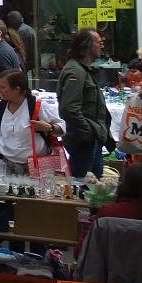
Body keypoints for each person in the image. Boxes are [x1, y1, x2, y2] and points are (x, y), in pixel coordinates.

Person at [0, 70, 65, 170]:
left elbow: (62, 126)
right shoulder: (0, 106)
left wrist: (50, 128)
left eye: (2, 87)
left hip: (35, 167)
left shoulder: (37, 106)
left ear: (17, 89)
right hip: (6, 165)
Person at [58, 28, 110, 179]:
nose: (102, 46)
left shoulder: (84, 70)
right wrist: (88, 132)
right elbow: (69, 108)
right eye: (99, 42)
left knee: (94, 186)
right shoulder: (75, 71)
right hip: (83, 141)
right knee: (84, 186)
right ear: (87, 46)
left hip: (90, 139)